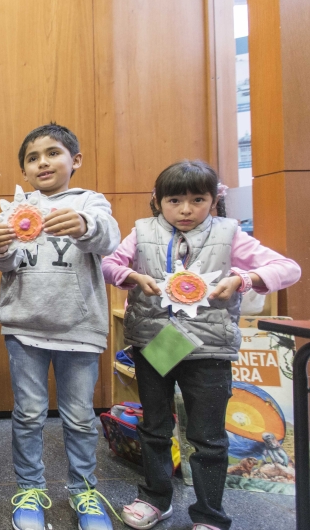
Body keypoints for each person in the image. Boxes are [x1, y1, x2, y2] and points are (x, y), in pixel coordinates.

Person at [102, 160, 301, 530]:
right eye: (174, 200)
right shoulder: (142, 231)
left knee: (208, 437)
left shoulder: (230, 233)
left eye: (198, 199)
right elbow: (107, 264)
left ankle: (209, 515)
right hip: (155, 345)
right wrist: (131, 275)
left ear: (214, 200)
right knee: (155, 427)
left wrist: (245, 278)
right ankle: (155, 499)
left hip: (209, 352)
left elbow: (288, 268)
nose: (186, 209)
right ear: (158, 201)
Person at [0, 123, 121, 530]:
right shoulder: (16, 205)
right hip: (24, 328)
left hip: (79, 328)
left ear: (74, 160)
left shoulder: (90, 201)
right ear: (24, 169)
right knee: (27, 415)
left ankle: (84, 492)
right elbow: (6, 266)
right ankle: (29, 490)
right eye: (32, 157)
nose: (42, 162)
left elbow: (108, 238)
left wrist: (85, 225)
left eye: (52, 153)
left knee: (79, 417)